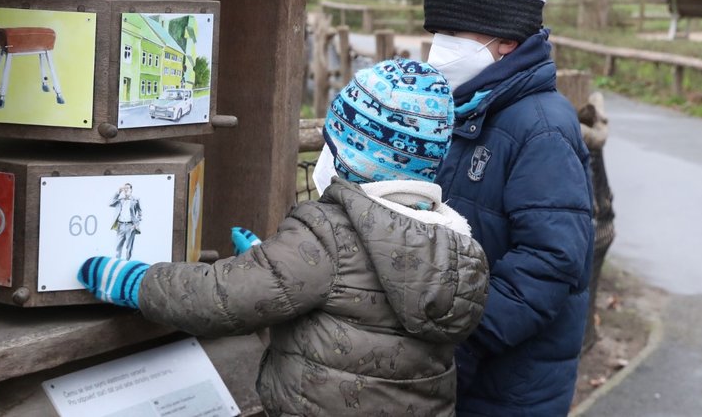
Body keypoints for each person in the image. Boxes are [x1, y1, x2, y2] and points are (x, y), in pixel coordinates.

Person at [78, 59, 489, 417]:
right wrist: (272, 260)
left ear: (349, 157)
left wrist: (136, 282)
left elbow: (223, 296)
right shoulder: (455, 246)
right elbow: (358, 295)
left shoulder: (328, 233)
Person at [422, 0, 595, 416]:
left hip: (507, 386)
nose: (441, 45)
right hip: (465, 371)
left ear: (507, 42)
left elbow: (552, 257)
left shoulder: (541, 127)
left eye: (454, 31)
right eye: (437, 30)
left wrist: (465, 337)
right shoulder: (467, 107)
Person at [110, 183, 142, 260]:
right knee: (118, 246)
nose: (126, 189)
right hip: (120, 226)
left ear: (131, 189)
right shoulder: (120, 200)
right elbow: (110, 203)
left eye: (127, 188)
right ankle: (117, 263)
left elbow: (140, 212)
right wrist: (118, 192)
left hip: (130, 226)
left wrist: (136, 224)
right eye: (124, 188)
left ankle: (127, 262)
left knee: (128, 247)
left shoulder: (136, 199)